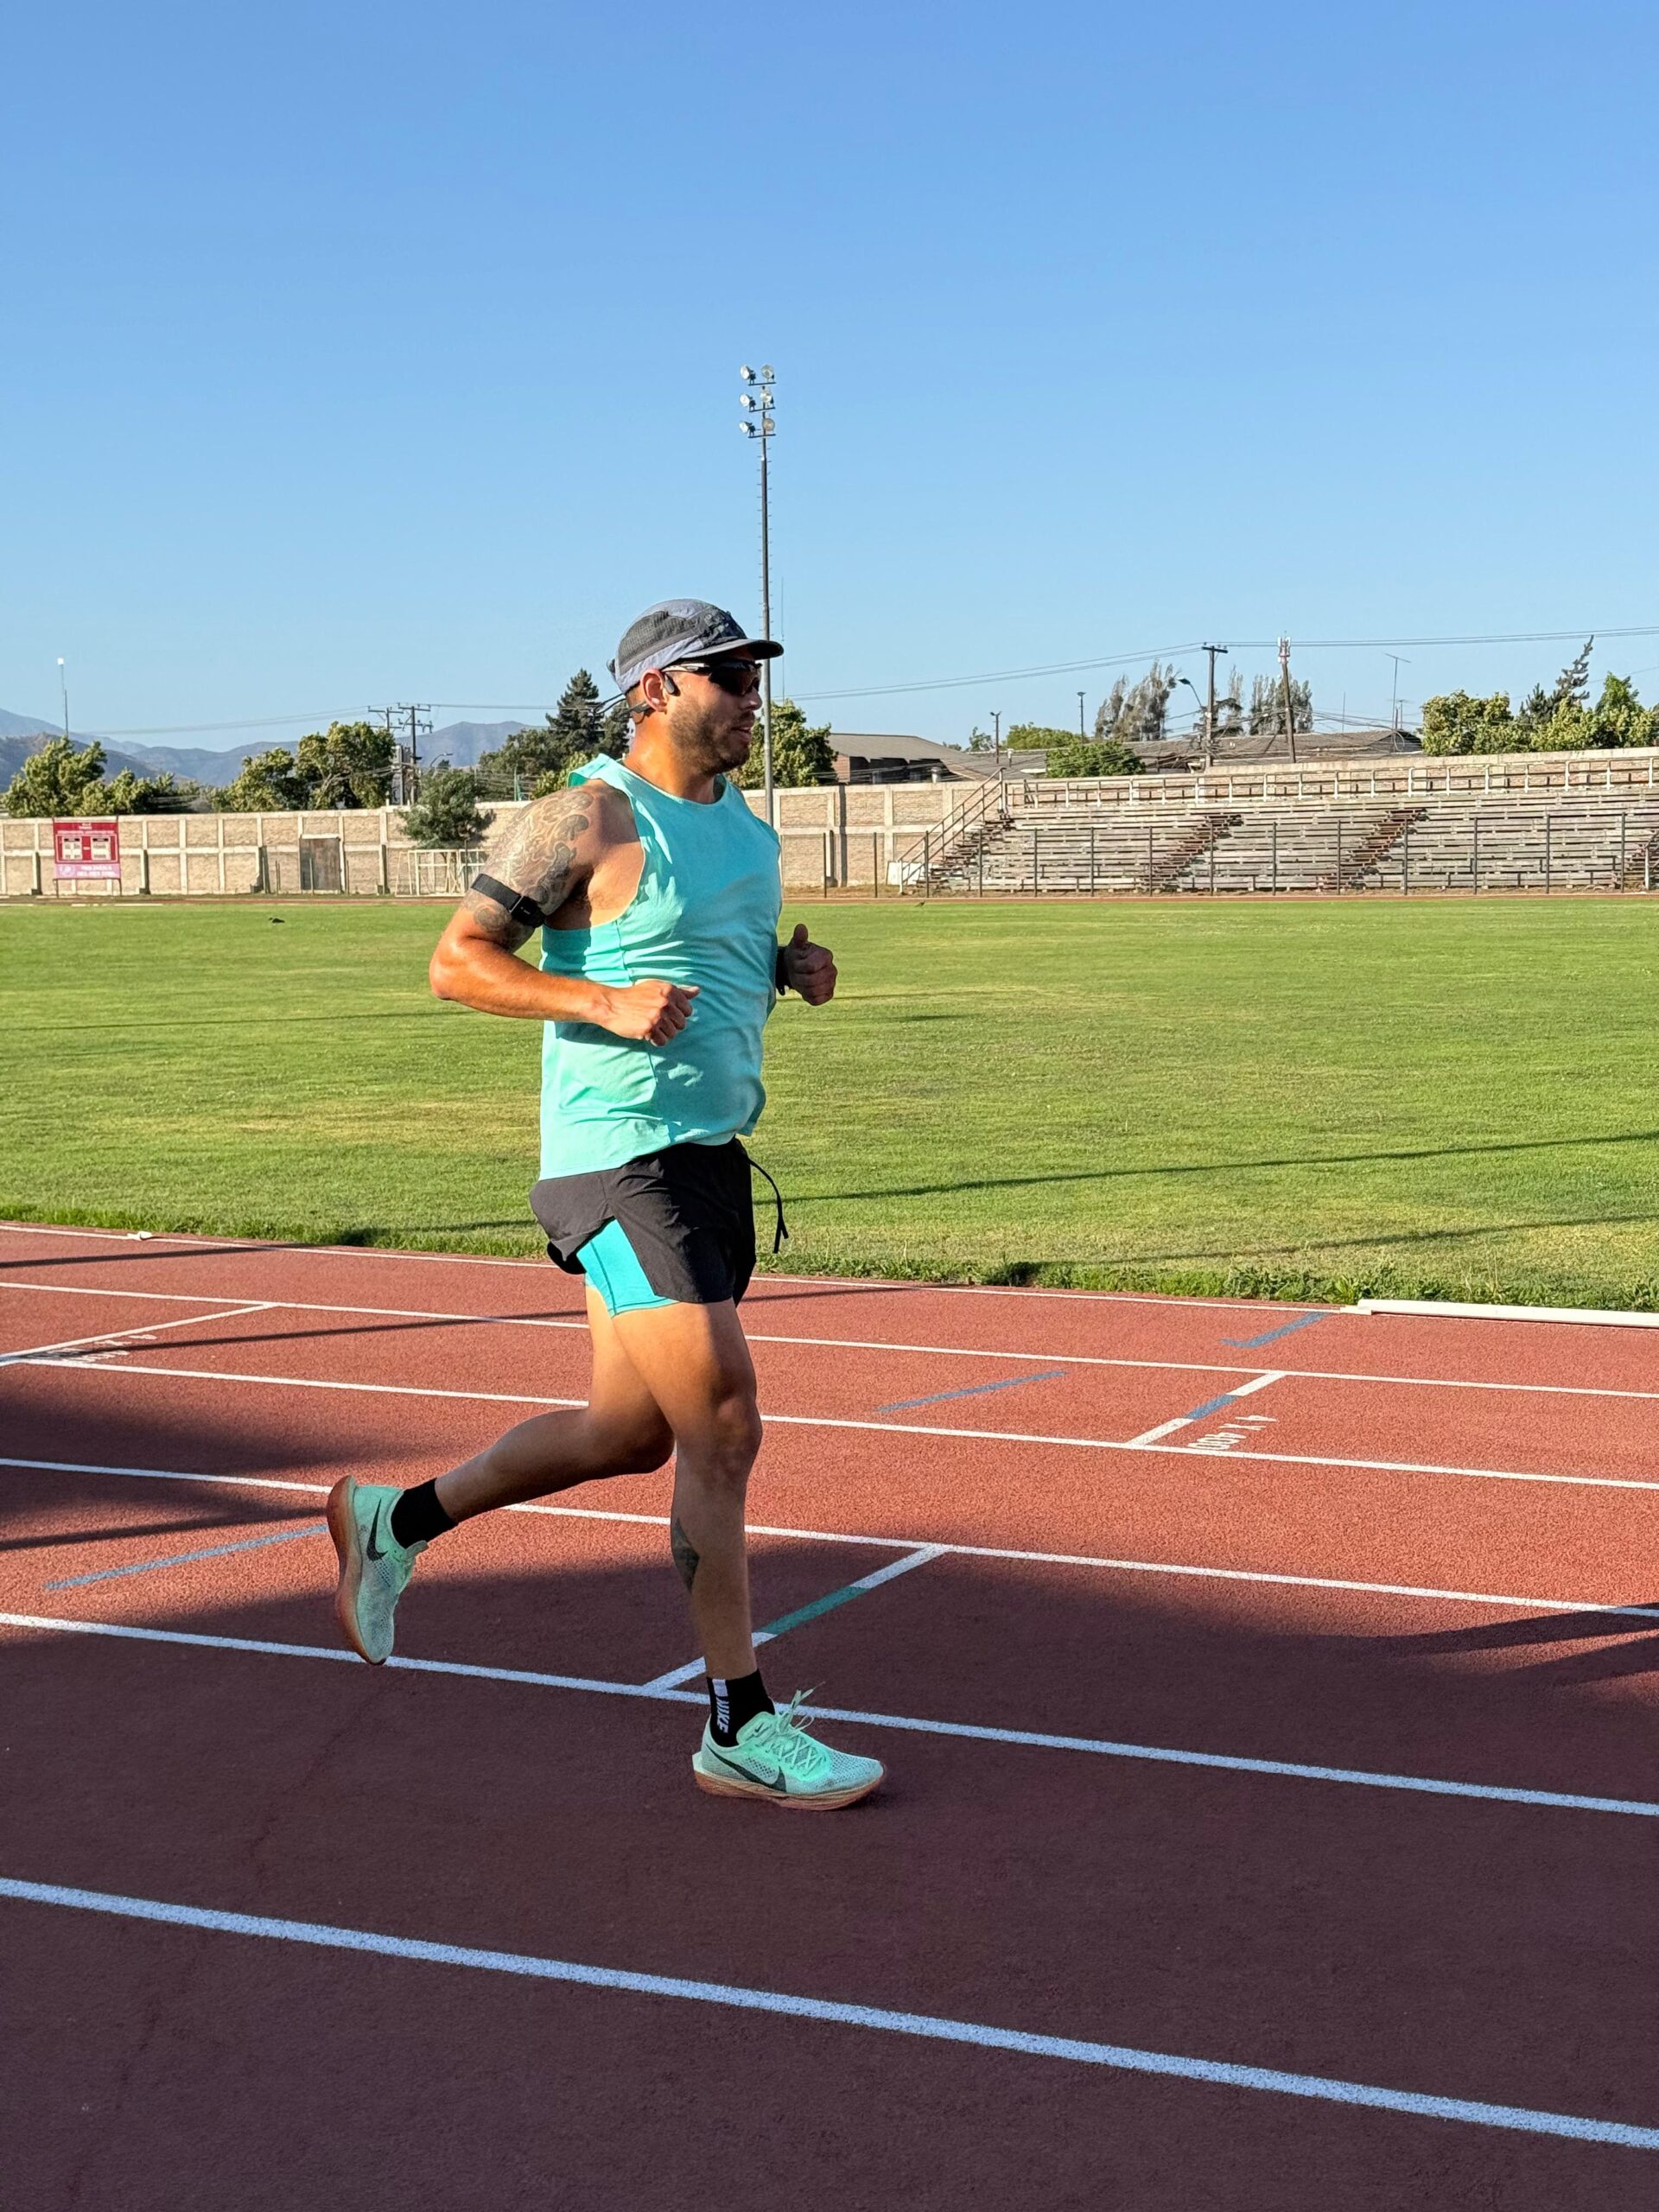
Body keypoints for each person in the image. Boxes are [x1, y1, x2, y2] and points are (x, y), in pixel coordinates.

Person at [325, 599, 883, 1811]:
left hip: (710, 1156)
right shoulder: (582, 816)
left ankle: (394, 1521)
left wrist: (795, 977)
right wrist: (598, 1004)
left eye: (754, 676)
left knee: (630, 1435)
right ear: (651, 692)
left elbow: (713, 965)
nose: (751, 696)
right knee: (724, 1425)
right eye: (728, 676)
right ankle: (738, 1720)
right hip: (616, 1159)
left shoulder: (744, 828)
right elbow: (456, 961)